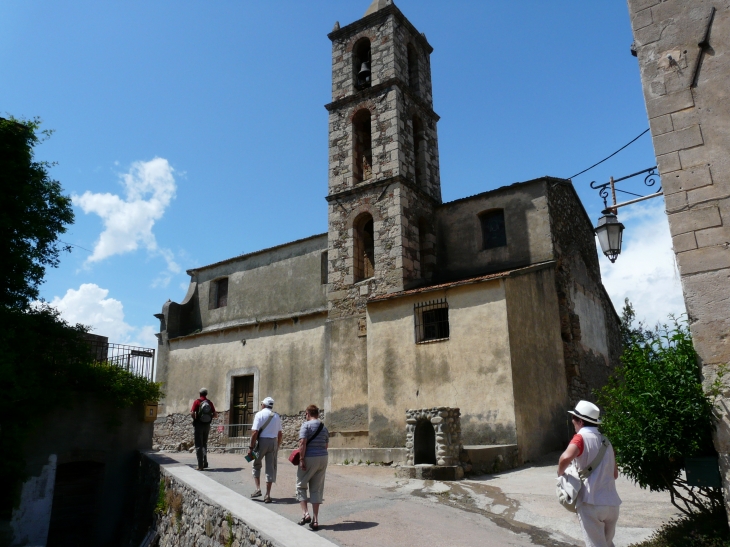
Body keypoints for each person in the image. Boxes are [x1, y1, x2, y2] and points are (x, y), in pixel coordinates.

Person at [558, 400, 621, 547]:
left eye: (574, 419)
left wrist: (560, 473)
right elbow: (615, 474)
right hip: (612, 504)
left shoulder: (580, 438)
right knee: (607, 544)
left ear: (580, 421)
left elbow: (566, 457)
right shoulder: (607, 442)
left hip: (591, 502)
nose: (573, 422)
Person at [296, 404, 329, 531]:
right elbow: (326, 445)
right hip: (323, 458)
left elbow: (302, 443)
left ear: (308, 414)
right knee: (316, 489)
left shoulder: (306, 425)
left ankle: (306, 514)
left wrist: (302, 459)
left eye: (306, 414)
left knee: (300, 485)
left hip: (310, 457)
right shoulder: (324, 427)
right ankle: (315, 520)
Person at [248, 396, 282, 503]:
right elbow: (280, 433)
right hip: (273, 442)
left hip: (261, 442)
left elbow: (254, 432)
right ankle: (268, 494)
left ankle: (258, 488)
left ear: (264, 405)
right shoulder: (276, 416)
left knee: (254, 462)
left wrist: (251, 447)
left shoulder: (259, 414)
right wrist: (278, 444)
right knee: (270, 468)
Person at [190, 388, 218, 471]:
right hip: (207, 425)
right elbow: (215, 414)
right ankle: (205, 462)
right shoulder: (209, 402)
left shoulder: (197, 402)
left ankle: (200, 465)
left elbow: (192, 412)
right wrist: (209, 419)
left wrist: (195, 418)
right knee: (204, 444)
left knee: (199, 445)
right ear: (206, 394)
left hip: (199, 425)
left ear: (200, 393)